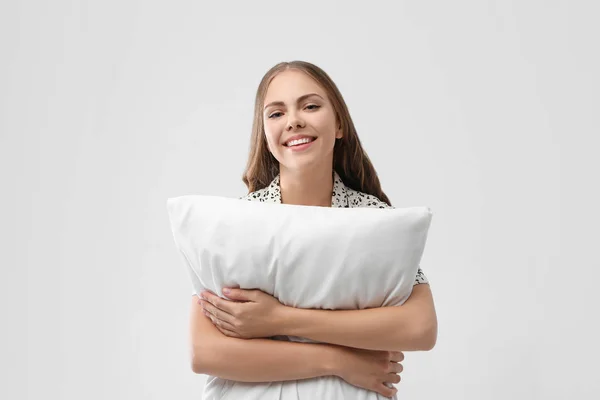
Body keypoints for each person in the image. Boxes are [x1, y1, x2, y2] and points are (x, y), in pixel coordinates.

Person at [189, 61, 438, 399]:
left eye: (310, 106)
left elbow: (420, 327)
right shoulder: (236, 223)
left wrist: (277, 319)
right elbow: (206, 353)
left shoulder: (372, 218)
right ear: (264, 134)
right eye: (276, 113)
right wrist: (339, 360)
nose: (293, 120)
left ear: (339, 125)